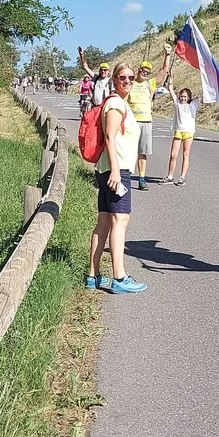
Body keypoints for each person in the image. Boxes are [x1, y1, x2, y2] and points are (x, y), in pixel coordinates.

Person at [87, 62, 147, 295]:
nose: (128, 81)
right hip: (116, 170)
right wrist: (115, 170)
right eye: (123, 77)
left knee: (104, 221)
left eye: (131, 78)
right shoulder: (115, 104)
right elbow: (110, 138)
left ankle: (93, 276)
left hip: (108, 169)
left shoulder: (119, 103)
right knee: (120, 221)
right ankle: (119, 277)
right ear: (114, 79)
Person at [128, 44, 171, 191]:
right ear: (138, 70)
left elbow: (164, 71)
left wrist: (167, 54)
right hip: (131, 123)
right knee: (128, 150)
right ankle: (124, 176)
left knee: (142, 152)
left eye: (147, 72)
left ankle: (141, 178)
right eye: (143, 70)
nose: (145, 73)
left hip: (146, 123)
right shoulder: (131, 83)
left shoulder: (150, 84)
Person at [161, 75, 200, 186]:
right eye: (182, 96)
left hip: (188, 132)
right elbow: (170, 89)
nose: (183, 98)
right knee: (173, 154)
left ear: (189, 97)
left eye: (185, 97)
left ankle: (182, 177)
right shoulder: (177, 103)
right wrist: (171, 80)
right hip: (178, 131)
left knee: (185, 154)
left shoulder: (193, 104)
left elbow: (205, 98)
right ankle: (170, 176)